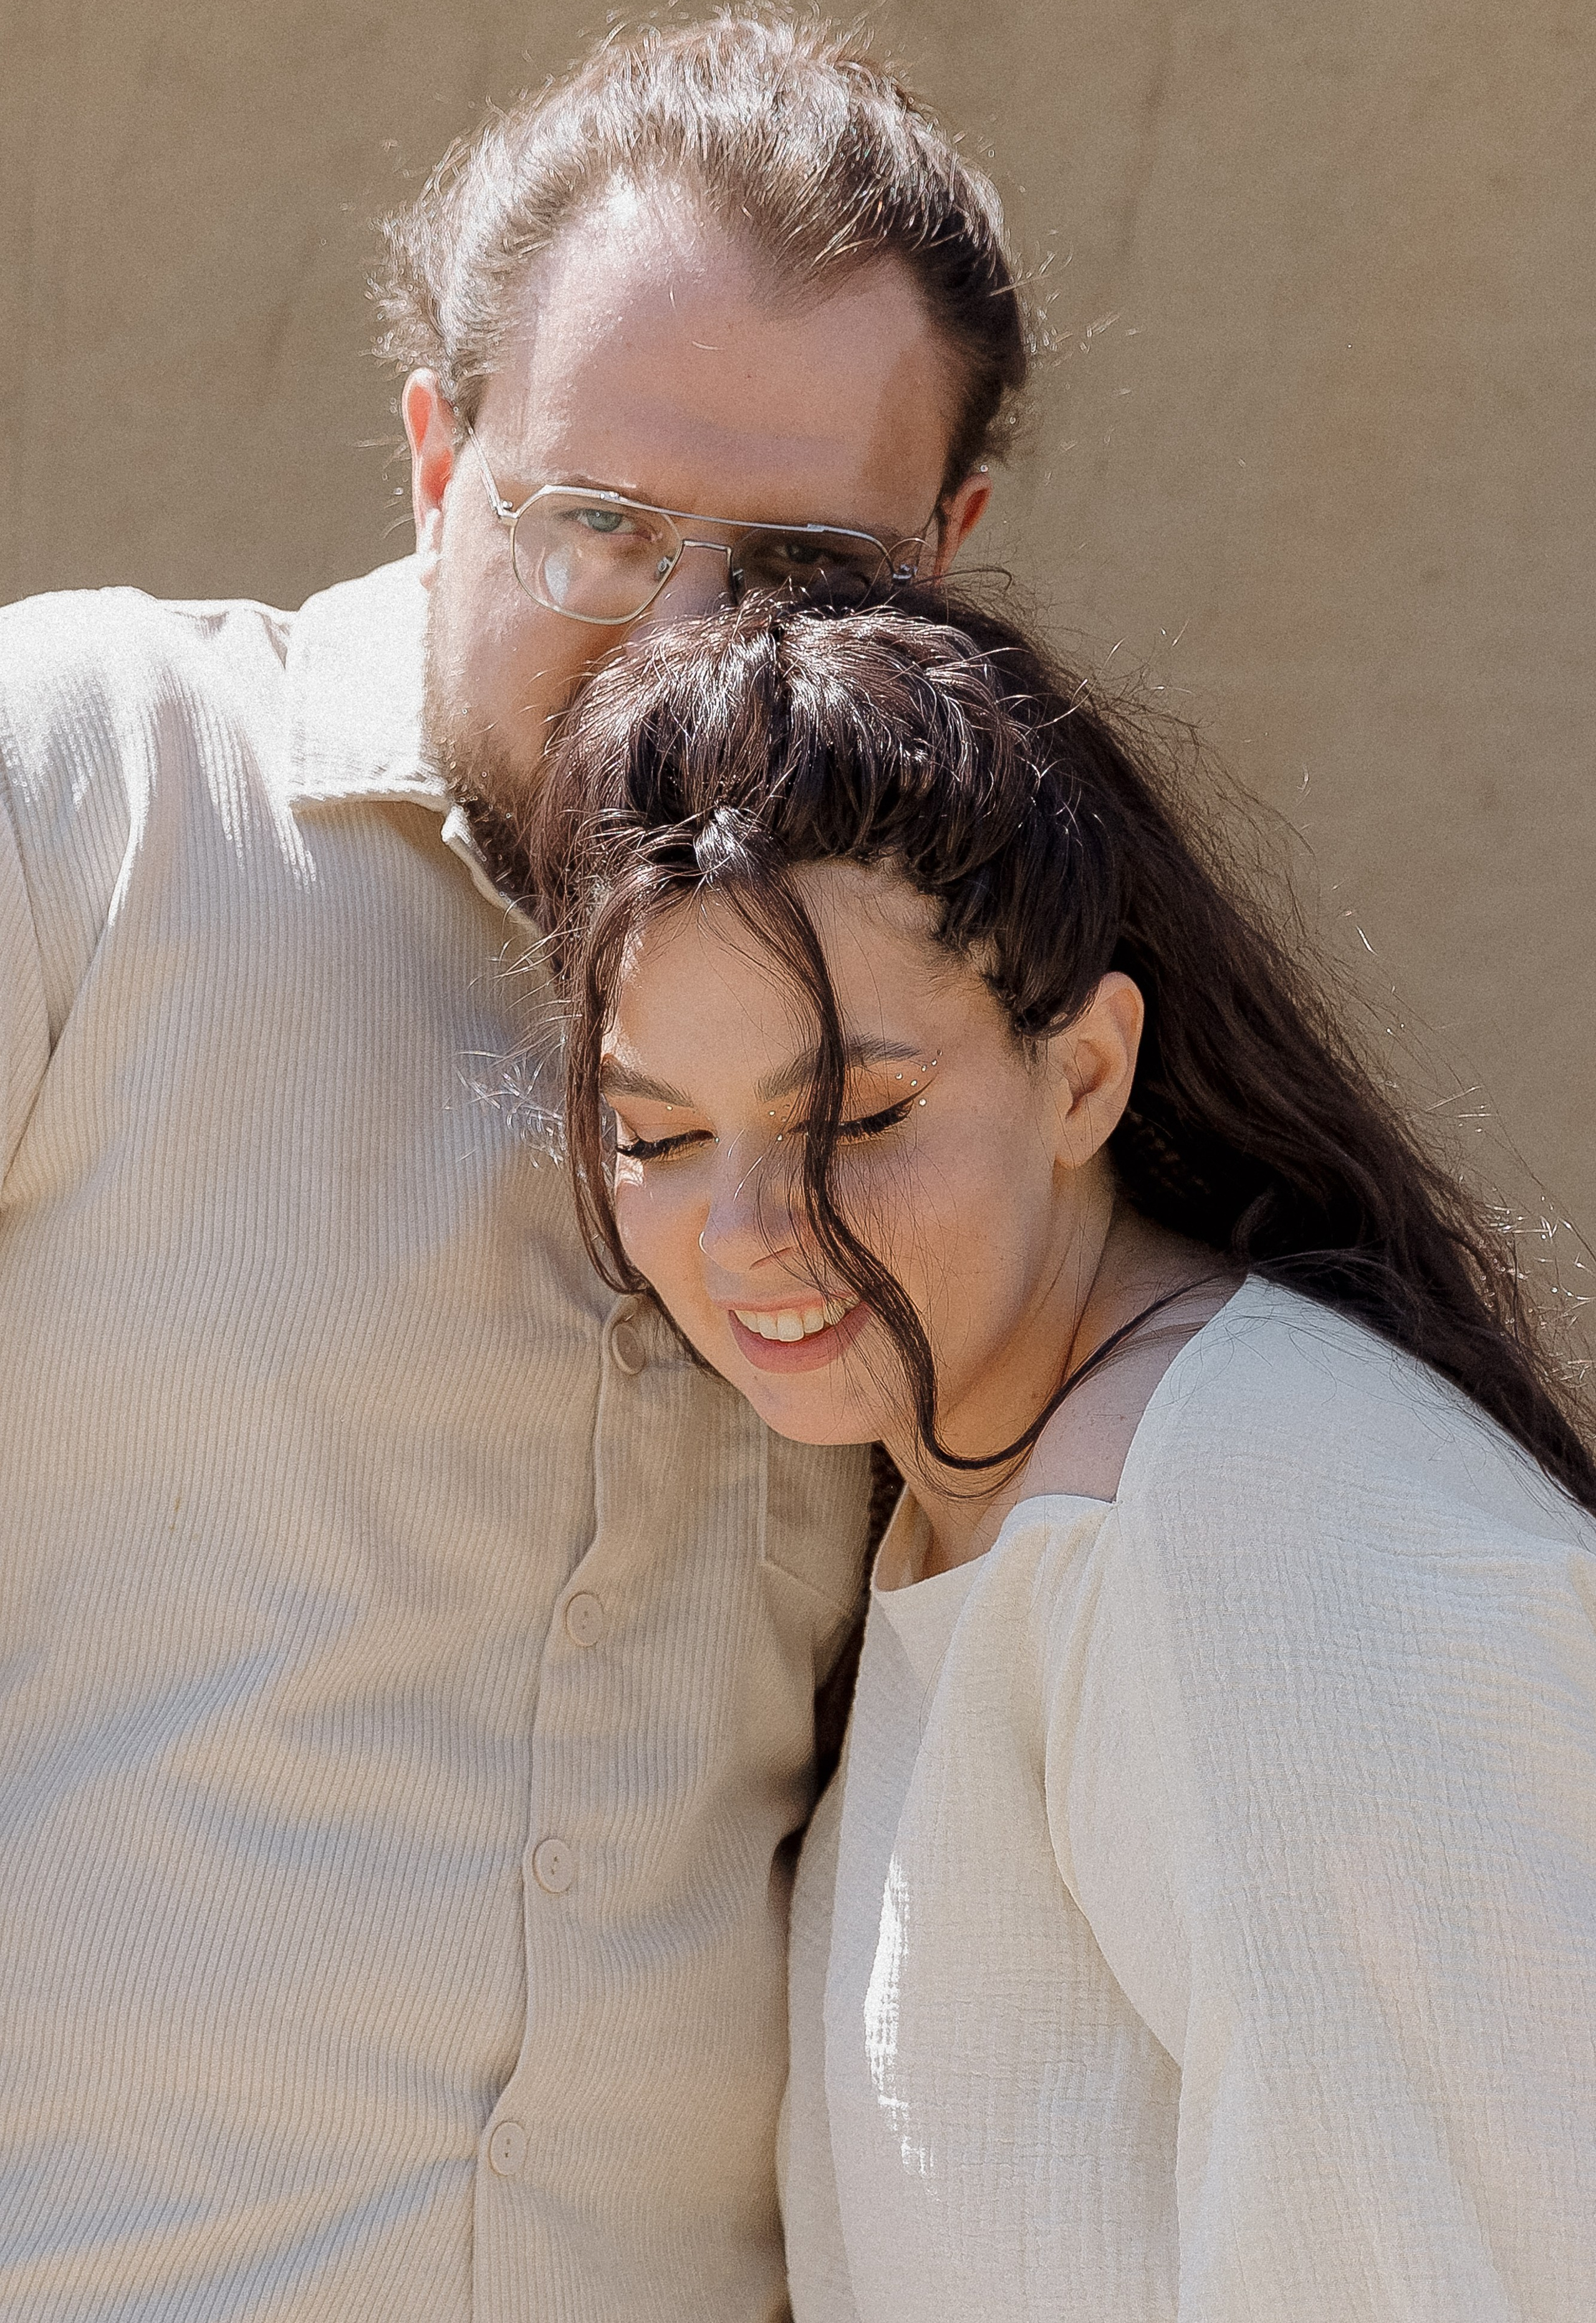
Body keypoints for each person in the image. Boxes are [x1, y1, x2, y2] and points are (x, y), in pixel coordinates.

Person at [0, 11, 1021, 2320]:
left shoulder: (1002, 1023)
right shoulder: (87, 794)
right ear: (437, 447)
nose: (679, 630)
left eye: (798, 561)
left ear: (950, 550)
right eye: (600, 522)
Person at [524, 587, 1596, 2321]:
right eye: (653, 1136)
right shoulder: (979, 1506)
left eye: (857, 1121)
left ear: (1083, 1074)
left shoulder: (1270, 1522)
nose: (745, 1232)